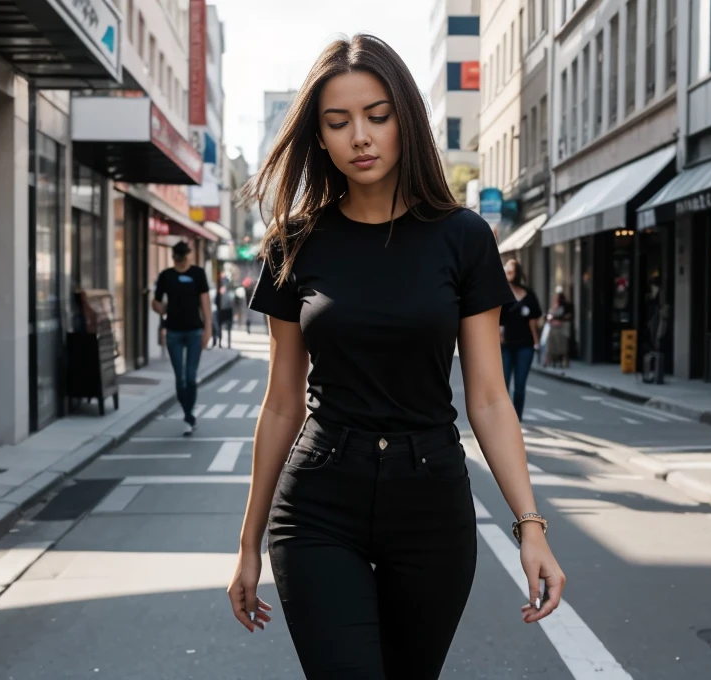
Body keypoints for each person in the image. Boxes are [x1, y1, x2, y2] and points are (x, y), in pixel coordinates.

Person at [226, 34, 565, 680]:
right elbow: (280, 403)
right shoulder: (293, 244)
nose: (360, 135)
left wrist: (531, 525)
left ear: (406, 118)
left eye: (377, 115)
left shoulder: (464, 239)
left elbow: (489, 398)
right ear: (319, 136)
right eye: (338, 121)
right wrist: (248, 545)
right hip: (320, 501)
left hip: (431, 498)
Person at [151, 241, 212, 435]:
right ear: (174, 256)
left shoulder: (197, 274)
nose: (181, 260)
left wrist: (208, 329)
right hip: (173, 333)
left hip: (194, 332)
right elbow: (156, 302)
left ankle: (188, 416)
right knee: (181, 379)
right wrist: (162, 308)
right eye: (178, 256)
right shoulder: (166, 276)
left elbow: (205, 304)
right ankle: (189, 416)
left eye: (183, 256)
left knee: (191, 378)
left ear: (188, 255)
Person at [500, 259, 542, 421]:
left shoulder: (528, 294)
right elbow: (495, 319)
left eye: (511, 272)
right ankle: (504, 417)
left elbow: (534, 318)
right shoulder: (501, 293)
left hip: (525, 345)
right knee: (503, 384)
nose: (508, 274)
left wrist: (536, 340)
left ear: (517, 273)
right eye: (506, 272)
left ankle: (517, 417)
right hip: (505, 344)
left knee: (520, 384)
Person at [543, 286, 573, 368]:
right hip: (553, 328)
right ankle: (550, 360)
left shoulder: (566, 306)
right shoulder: (554, 307)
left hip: (562, 329)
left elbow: (568, 316)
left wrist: (557, 319)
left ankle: (563, 361)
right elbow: (548, 315)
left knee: (562, 345)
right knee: (552, 345)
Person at [217, 278, 235, 348]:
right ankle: (221, 343)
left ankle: (226, 343)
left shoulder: (229, 292)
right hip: (223, 311)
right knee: (221, 328)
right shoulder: (222, 291)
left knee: (227, 329)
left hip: (226, 311)